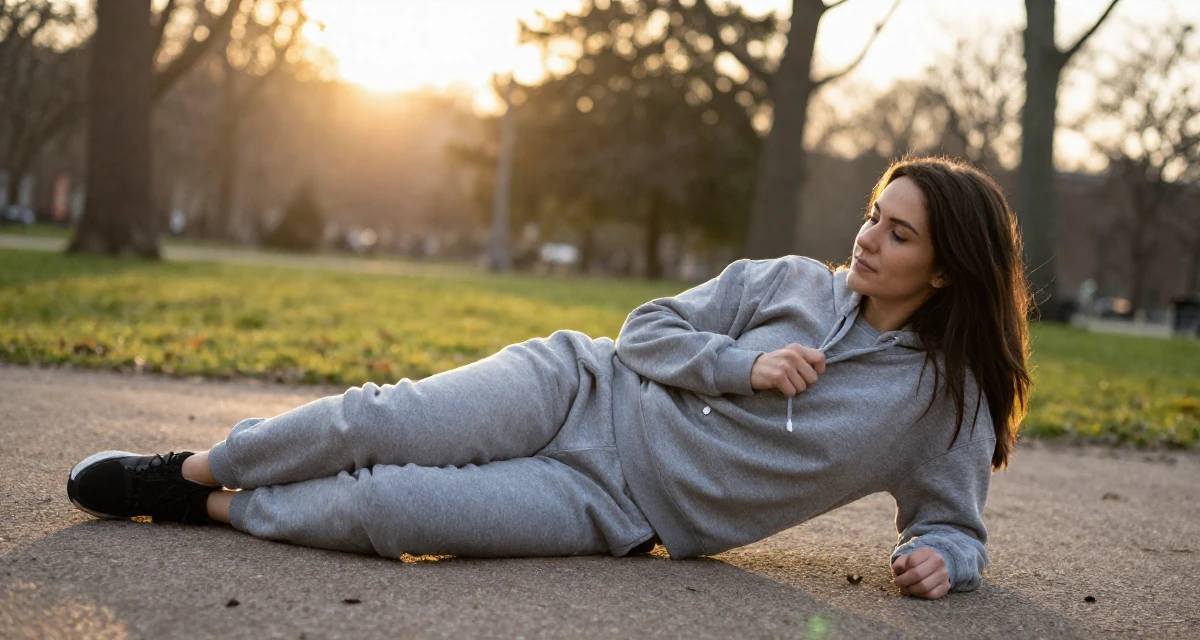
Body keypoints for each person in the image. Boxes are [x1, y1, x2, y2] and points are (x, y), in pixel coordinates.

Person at [67, 156, 1031, 601]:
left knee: (398, 513)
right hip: (581, 385)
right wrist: (740, 365)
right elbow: (644, 329)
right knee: (381, 420)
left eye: (898, 233)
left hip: (612, 503)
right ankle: (189, 470)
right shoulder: (785, 283)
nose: (867, 237)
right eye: (873, 213)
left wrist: (947, 559)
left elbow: (950, 522)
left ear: (945, 270)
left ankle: (219, 513)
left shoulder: (939, 404)